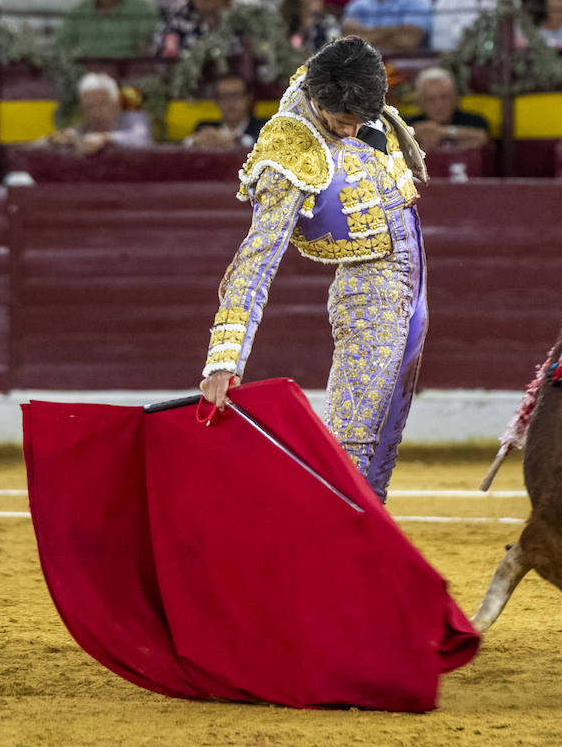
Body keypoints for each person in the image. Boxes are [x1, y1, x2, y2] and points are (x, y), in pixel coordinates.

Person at [198, 35, 430, 503]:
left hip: (413, 273)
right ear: (321, 101)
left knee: (384, 433)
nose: (352, 131)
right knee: (351, 441)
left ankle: (367, 542)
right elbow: (254, 262)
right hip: (370, 285)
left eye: (361, 120)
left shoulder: (341, 79)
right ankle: (328, 546)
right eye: (344, 121)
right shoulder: (288, 152)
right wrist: (224, 360)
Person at [45, 73, 154, 154]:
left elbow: (142, 138)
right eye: (90, 107)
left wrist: (104, 138)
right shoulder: (84, 128)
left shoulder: (135, 119)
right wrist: (58, 140)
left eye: (101, 104)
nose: (96, 112)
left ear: (115, 103)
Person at [405, 67, 491, 150]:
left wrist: (443, 131)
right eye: (431, 99)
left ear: (455, 98)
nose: (439, 105)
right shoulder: (407, 125)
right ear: (421, 103)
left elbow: (482, 137)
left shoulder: (474, 121)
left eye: (444, 97)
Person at [186, 73, 268, 149]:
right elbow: (187, 143)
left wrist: (234, 140)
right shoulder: (205, 127)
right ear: (216, 102)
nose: (230, 102)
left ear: (249, 98)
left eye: (236, 95)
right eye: (224, 96)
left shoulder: (265, 127)